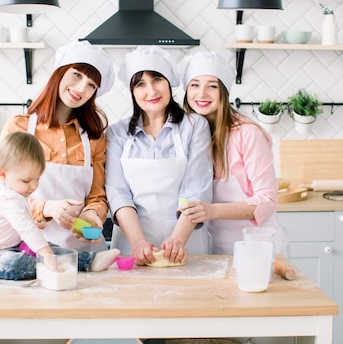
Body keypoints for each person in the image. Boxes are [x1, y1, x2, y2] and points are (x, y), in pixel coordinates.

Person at [0, 41, 116, 252]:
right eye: (77, 75)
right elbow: (3, 194)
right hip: (27, 248)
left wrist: (92, 213)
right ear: (59, 73)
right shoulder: (20, 127)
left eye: (92, 85)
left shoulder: (93, 136)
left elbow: (97, 196)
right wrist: (47, 207)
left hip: (81, 250)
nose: (82, 88)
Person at [105, 46, 213, 266]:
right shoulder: (117, 133)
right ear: (132, 91)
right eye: (140, 84)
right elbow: (118, 193)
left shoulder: (194, 126)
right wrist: (137, 243)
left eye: (157, 80)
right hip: (131, 246)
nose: (151, 91)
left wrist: (177, 240)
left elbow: (195, 188)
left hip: (186, 244)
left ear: (169, 83)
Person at [0, 132, 120, 280]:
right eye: (26, 181)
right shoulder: (4, 197)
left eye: (37, 179)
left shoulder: (12, 188)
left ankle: (90, 261)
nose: (33, 186)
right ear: (3, 175)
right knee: (18, 263)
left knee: (50, 247)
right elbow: (26, 228)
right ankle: (51, 265)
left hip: (13, 246)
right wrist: (45, 254)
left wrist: (46, 250)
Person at [179, 51, 287, 256]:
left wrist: (212, 211)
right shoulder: (189, 135)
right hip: (217, 249)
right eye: (194, 85)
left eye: (212, 86)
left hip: (260, 246)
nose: (201, 94)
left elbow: (267, 200)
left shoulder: (247, 133)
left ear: (224, 92)